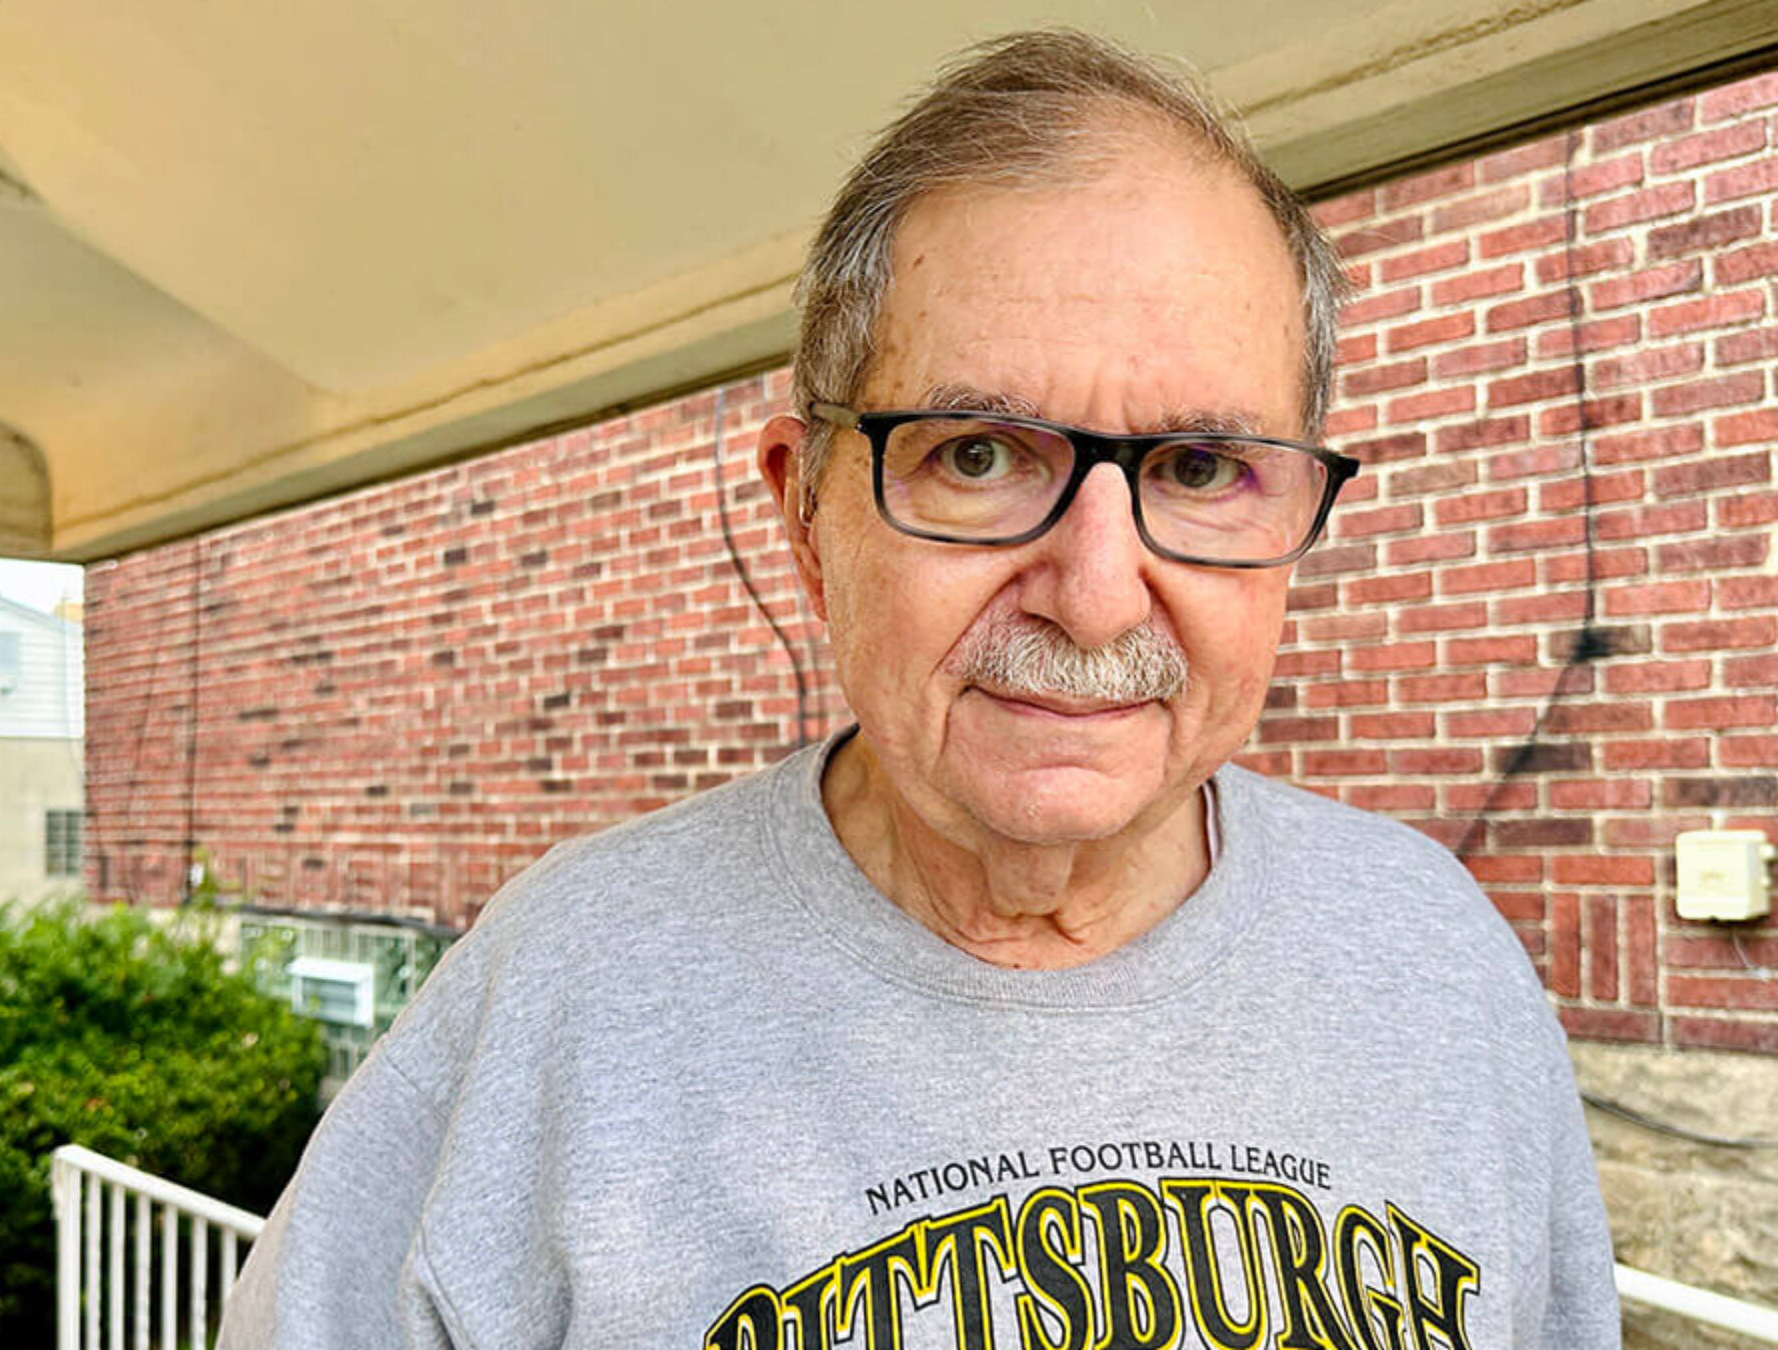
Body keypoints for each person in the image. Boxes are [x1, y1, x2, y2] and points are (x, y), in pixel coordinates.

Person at [223, 29, 1618, 1349]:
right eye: (977, 456)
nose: (1095, 591)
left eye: (1200, 470)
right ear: (807, 510)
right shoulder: (560, 998)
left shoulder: (1441, 967)